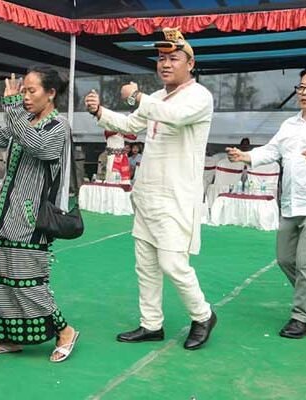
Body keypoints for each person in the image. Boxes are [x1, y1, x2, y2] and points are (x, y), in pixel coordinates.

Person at [84, 27, 217, 350]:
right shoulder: (156, 98)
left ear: (190, 63)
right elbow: (131, 126)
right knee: (145, 264)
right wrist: (100, 112)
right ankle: (151, 324)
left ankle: (203, 315)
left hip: (176, 195)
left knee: (173, 264)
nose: (165, 64)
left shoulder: (199, 96)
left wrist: (137, 97)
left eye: (173, 58)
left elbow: (175, 117)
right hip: (147, 193)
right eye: (161, 58)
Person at [0, 66, 81, 362]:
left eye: (31, 90)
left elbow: (37, 146)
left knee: (28, 282)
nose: (24, 96)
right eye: (22, 90)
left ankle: (65, 332)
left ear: (51, 93)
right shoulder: (22, 120)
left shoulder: (58, 126)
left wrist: (11, 107)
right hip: (6, 214)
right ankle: (7, 339)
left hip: (31, 218)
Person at [226, 66, 306, 338]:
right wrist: (244, 156)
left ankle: (301, 317)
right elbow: (271, 151)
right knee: (285, 259)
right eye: (301, 87)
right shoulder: (289, 124)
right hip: (291, 204)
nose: (305, 93)